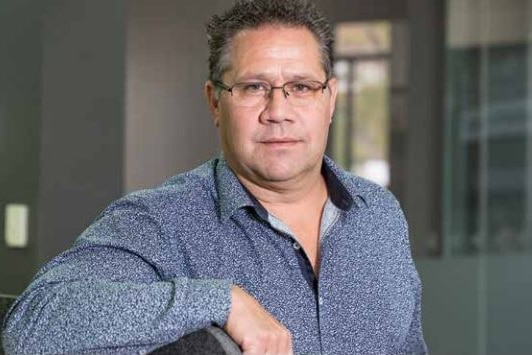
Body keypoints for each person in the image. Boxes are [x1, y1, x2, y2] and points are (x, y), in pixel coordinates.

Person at [2, 0, 428, 354]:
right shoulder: (161, 221)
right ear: (214, 103)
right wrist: (218, 301)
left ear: (330, 99)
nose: (277, 111)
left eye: (300, 87)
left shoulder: (380, 213)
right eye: (253, 87)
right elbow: (32, 326)